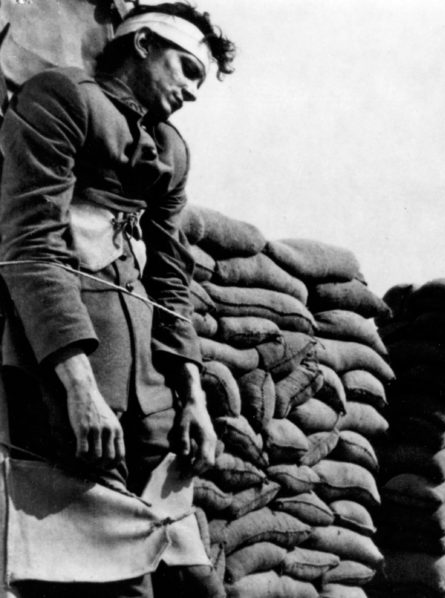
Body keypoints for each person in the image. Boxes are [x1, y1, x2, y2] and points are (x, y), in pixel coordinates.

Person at [0, 4, 234, 597]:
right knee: (113, 580)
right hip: (64, 379)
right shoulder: (63, 98)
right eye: (187, 68)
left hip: (149, 389)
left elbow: (171, 278)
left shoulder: (171, 150)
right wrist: (78, 388)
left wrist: (192, 395)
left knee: (192, 577)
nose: (192, 91)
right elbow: (31, 249)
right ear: (143, 44)